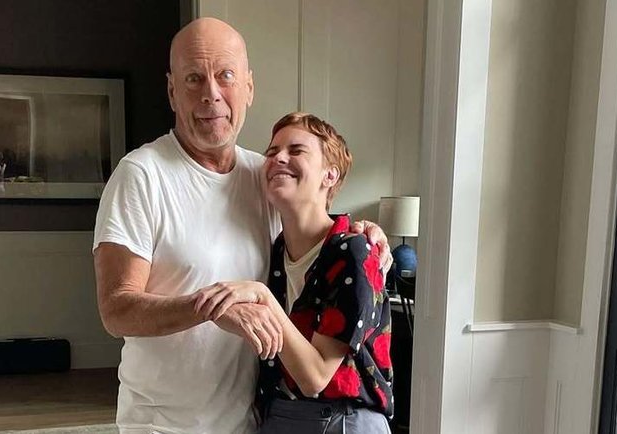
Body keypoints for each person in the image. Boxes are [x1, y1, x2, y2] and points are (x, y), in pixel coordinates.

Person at [92, 18, 390, 434]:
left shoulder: (263, 175)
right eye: (193, 78)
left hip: (252, 422)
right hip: (163, 424)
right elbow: (116, 309)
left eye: (226, 75)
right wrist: (212, 308)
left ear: (249, 87)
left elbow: (315, 235)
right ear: (172, 91)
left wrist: (367, 234)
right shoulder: (141, 175)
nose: (211, 94)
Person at [194, 113, 393, 433]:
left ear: (330, 175)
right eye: (272, 152)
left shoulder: (354, 252)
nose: (278, 158)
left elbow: (315, 377)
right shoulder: (275, 252)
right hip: (279, 415)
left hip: (343, 421)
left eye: (296, 150)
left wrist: (262, 296)